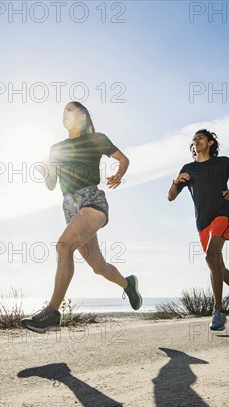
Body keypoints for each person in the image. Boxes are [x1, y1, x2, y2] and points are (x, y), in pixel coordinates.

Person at [21, 102, 142, 334]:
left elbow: (123, 160)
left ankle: (52, 313)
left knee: (63, 246)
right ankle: (129, 284)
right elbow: (51, 185)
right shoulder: (56, 148)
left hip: (92, 200)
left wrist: (118, 175)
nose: (64, 114)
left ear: (83, 115)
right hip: (69, 206)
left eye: (70, 109)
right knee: (98, 266)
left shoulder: (96, 139)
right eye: (62, 111)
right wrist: (45, 173)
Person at [168, 129, 229, 331]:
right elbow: (171, 197)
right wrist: (175, 182)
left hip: (222, 214)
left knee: (210, 257)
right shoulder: (188, 168)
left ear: (211, 142)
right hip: (202, 222)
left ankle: (218, 311)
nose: (196, 141)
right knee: (217, 265)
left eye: (200, 138)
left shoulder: (222, 163)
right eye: (194, 139)